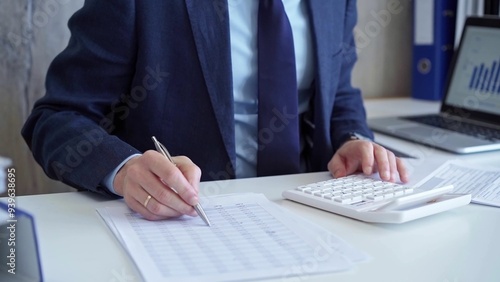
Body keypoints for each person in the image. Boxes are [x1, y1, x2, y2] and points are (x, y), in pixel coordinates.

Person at [22, 0, 408, 221]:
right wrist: (124, 170)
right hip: (189, 224)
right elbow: (56, 118)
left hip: (315, 215)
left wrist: (352, 138)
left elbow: (339, 92)